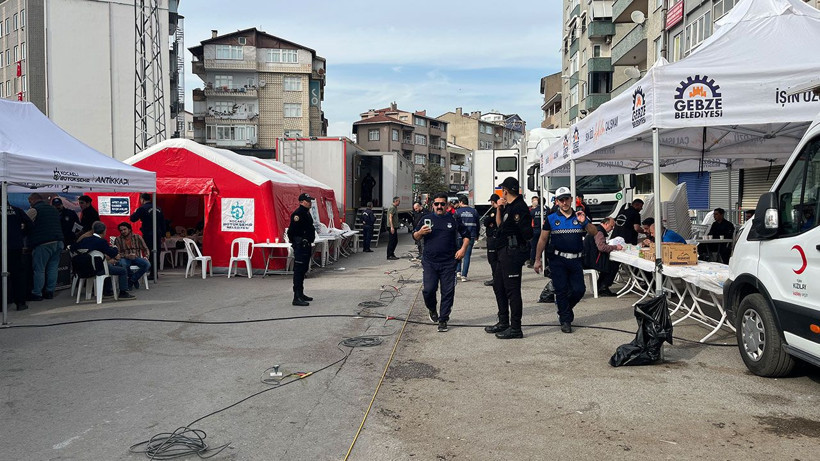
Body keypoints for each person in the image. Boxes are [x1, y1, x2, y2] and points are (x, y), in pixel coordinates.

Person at [534, 186, 598, 333]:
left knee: (579, 290)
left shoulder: (580, 216)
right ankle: (565, 320)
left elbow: (594, 233)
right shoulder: (551, 218)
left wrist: (585, 222)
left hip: (576, 260)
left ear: (571, 199)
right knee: (561, 290)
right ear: (557, 202)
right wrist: (537, 259)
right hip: (558, 260)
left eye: (567, 199)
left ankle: (566, 309)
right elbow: (543, 239)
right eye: (561, 200)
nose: (564, 202)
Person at [413, 193, 469, 333]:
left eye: (442, 204)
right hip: (430, 262)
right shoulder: (426, 218)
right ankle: (432, 309)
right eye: (437, 204)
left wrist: (462, 250)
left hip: (449, 262)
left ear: (447, 205)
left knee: (448, 292)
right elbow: (415, 236)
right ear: (432, 205)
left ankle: (443, 319)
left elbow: (467, 235)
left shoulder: (453, 219)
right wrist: (420, 232)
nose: (439, 207)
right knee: (429, 290)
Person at [485, 177, 533, 339]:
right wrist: (499, 209)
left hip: (512, 253)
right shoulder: (509, 207)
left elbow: (527, 233)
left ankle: (515, 328)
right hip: (503, 252)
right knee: (498, 286)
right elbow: (500, 225)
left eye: (502, 190)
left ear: (505, 190)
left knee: (512, 291)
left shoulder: (519, 208)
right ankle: (503, 321)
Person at [76, 221, 136, 299]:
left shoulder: (84, 240)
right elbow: (112, 254)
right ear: (104, 231)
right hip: (98, 269)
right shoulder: (101, 241)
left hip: (83, 269)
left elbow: (74, 248)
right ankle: (123, 293)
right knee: (122, 270)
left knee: (108, 265)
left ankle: (106, 290)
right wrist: (115, 247)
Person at [26, 193, 64, 301]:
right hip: (58, 241)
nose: (29, 204)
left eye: (30, 202)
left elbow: (24, 223)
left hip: (43, 243)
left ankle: (37, 293)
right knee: (53, 267)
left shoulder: (34, 210)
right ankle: (49, 292)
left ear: (33, 200)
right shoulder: (53, 209)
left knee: (39, 269)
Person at [287, 193, 316, 306]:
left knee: (303, 270)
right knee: (298, 271)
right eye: (308, 201)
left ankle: (301, 293)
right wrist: (297, 242)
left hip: (306, 245)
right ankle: (296, 297)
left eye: (310, 201)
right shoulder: (298, 214)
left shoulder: (306, 213)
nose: (310, 203)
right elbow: (291, 232)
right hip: (301, 246)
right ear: (301, 202)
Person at [583, 217, 623, 297]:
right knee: (613, 264)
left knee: (609, 264)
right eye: (611, 226)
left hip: (587, 258)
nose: (612, 229)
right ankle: (603, 287)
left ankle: (600, 286)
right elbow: (601, 247)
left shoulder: (596, 230)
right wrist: (615, 247)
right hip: (591, 261)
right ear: (606, 224)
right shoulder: (599, 232)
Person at [4, 202, 33, 310]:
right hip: (15, 246)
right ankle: (20, 303)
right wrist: (20, 234)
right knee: (18, 276)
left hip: (3, 247)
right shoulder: (16, 210)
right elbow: (30, 225)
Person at [130, 193, 166, 278]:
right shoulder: (158, 208)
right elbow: (163, 222)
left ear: (142, 199)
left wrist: (135, 212)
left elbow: (133, 219)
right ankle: (155, 273)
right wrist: (163, 235)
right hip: (157, 233)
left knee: (149, 252)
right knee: (156, 252)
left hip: (148, 233)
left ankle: (151, 272)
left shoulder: (142, 208)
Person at [114, 222, 151, 290]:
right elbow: (117, 253)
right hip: (125, 258)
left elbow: (145, 248)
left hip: (136, 257)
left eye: (124, 229)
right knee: (122, 264)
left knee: (147, 264)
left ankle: (131, 280)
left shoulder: (137, 237)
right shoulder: (118, 239)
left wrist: (146, 256)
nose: (123, 232)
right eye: (121, 230)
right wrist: (127, 256)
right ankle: (133, 280)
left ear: (129, 229)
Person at [454, 196, 478, 282]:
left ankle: (458, 272)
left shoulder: (457, 212)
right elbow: (477, 224)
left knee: (458, 253)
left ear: (460, 202)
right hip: (471, 235)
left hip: (459, 236)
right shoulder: (474, 211)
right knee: (467, 255)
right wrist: (477, 235)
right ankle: (464, 275)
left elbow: (455, 224)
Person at [483, 194, 500, 287]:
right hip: (495, 238)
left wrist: (489, 222)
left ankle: (496, 279)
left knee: (493, 259)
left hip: (493, 239)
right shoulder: (500, 210)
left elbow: (486, 222)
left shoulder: (494, 211)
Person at [386, 196, 400, 260]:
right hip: (392, 227)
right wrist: (392, 227)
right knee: (392, 241)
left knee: (395, 240)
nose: (399, 202)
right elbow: (390, 217)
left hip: (394, 226)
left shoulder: (395, 207)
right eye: (398, 201)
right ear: (396, 201)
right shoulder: (392, 208)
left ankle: (392, 253)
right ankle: (389, 255)